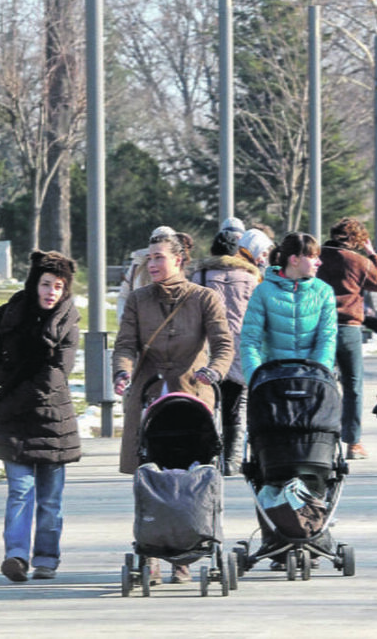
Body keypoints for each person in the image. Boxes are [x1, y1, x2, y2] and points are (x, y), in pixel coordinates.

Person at [112, 227, 234, 585]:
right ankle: (150, 550)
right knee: (149, 476)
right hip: (149, 393)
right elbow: (125, 345)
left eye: (158, 257)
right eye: (149, 258)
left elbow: (223, 344)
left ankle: (184, 557)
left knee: (188, 477)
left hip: (191, 394)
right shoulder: (138, 300)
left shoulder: (204, 298)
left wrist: (214, 370)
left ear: (178, 260)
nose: (151, 264)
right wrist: (122, 372)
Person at [0, 250, 81, 583]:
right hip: (12, 422)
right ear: (34, 284)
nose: (51, 292)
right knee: (20, 490)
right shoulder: (10, 315)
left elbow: (50, 380)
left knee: (49, 497)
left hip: (52, 421)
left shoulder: (68, 323)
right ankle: (15, 556)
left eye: (59, 286)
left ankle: (46, 557)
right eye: (46, 284)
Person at [316, 217, 377, 460]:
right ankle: (353, 442)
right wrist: (373, 255)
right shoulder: (359, 261)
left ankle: (320, 438)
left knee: (320, 383)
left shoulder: (316, 256)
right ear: (357, 240)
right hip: (348, 327)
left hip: (318, 326)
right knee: (353, 385)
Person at [191, 227, 262, 475]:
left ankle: (210, 454)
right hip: (241, 346)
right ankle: (232, 459)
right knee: (236, 404)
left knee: (207, 402)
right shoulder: (252, 278)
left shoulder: (199, 276)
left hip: (210, 347)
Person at [240, 231, 337, 382]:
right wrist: (254, 378)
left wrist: (319, 376)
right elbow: (250, 340)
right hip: (272, 381)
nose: (319, 262)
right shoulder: (263, 291)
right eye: (313, 257)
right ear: (294, 259)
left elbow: (327, 339)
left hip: (311, 381)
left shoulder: (324, 292)